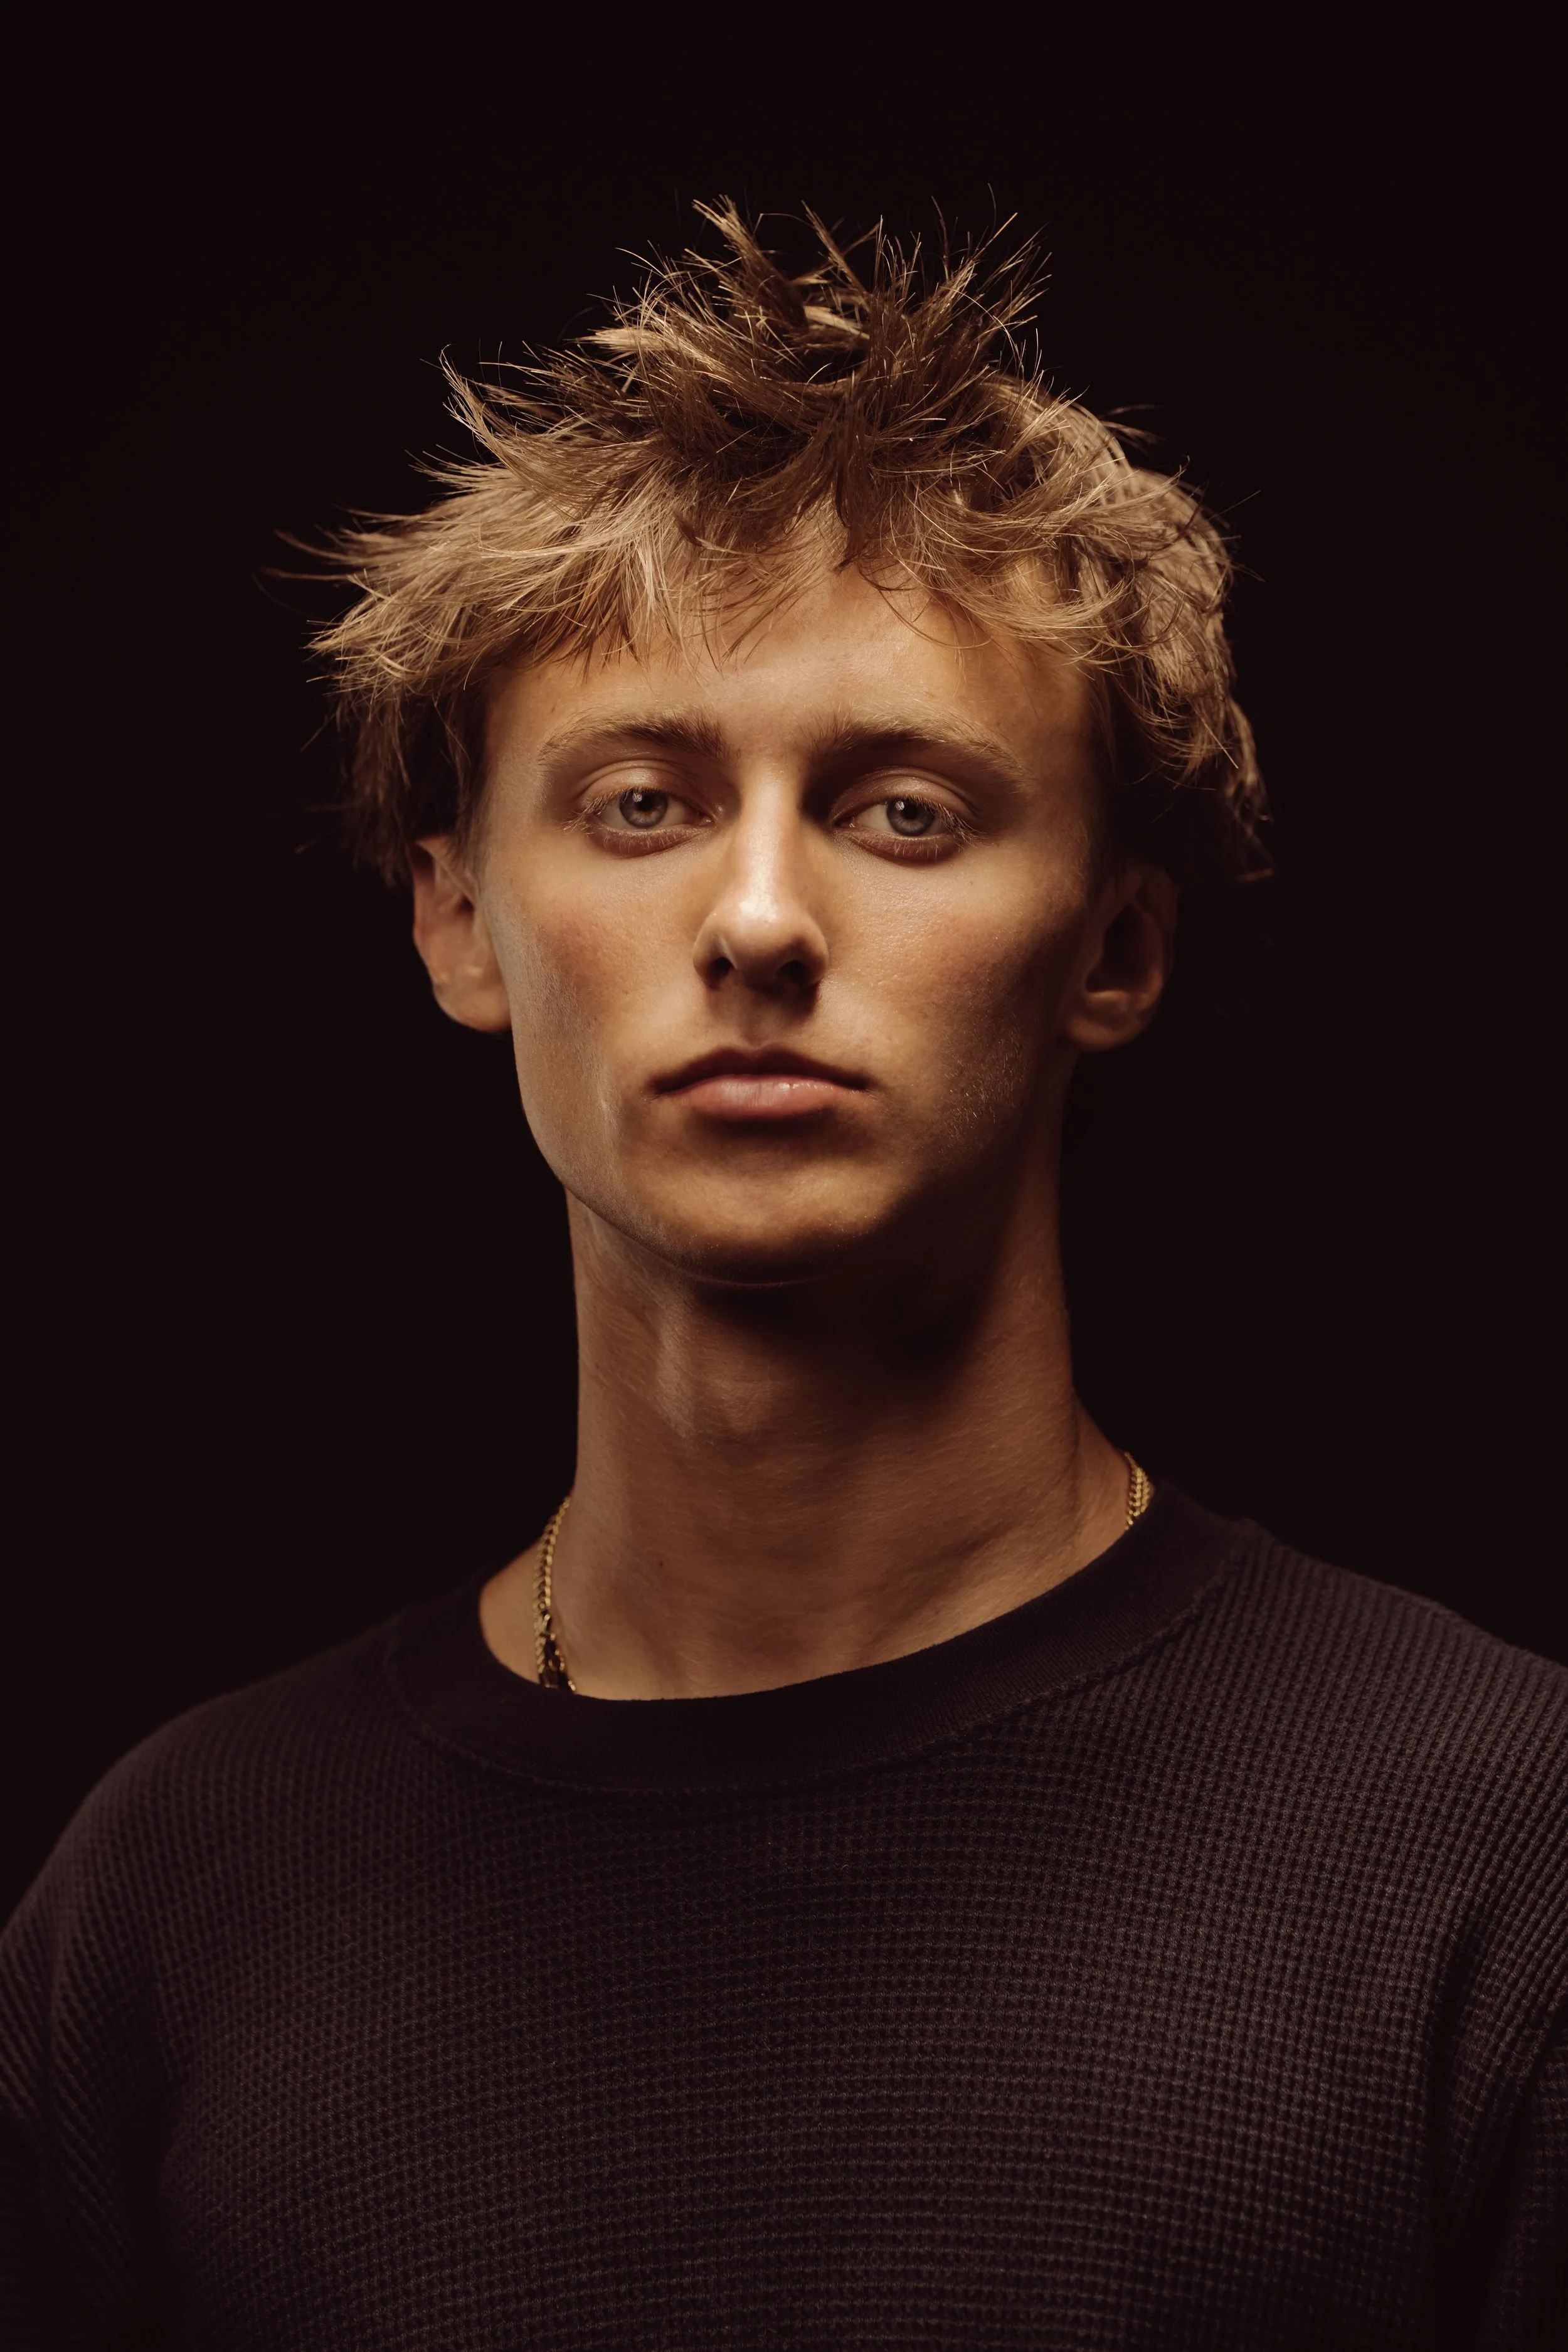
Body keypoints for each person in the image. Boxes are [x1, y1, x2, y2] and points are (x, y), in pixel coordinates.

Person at [2, 204, 1562, 2350]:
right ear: (461, 921)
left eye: (902, 811)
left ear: (1113, 943)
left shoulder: (1496, 1853)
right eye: (640, 802)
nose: (755, 919)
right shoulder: (171, 1903)